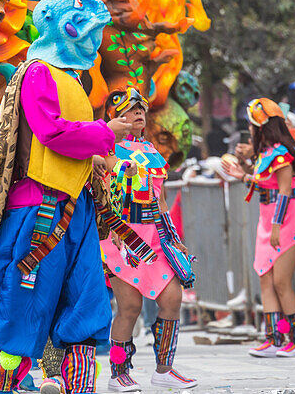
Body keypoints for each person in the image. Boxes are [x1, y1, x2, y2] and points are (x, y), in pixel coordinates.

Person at [0, 0, 123, 394]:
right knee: (22, 307)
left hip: (76, 208)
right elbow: (51, 132)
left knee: (86, 302)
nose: (93, 38)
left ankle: (79, 387)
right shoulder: (38, 72)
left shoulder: (71, 77)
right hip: (41, 208)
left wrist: (95, 156)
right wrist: (105, 133)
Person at [99, 88, 196, 392]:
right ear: (115, 116)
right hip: (121, 238)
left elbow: (161, 202)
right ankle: (119, 371)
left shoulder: (153, 151)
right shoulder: (104, 147)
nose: (138, 112)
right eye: (130, 108)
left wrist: (173, 238)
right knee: (129, 306)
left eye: (141, 107)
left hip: (154, 237)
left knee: (172, 298)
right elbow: (100, 192)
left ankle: (164, 369)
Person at [222, 98, 295, 359]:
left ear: (258, 127)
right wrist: (243, 171)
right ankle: (274, 338)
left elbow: (285, 190)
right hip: (269, 219)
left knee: (282, 282)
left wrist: (276, 226)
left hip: (285, 220)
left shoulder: (281, 154)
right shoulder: (266, 153)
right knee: (265, 279)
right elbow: (265, 183)